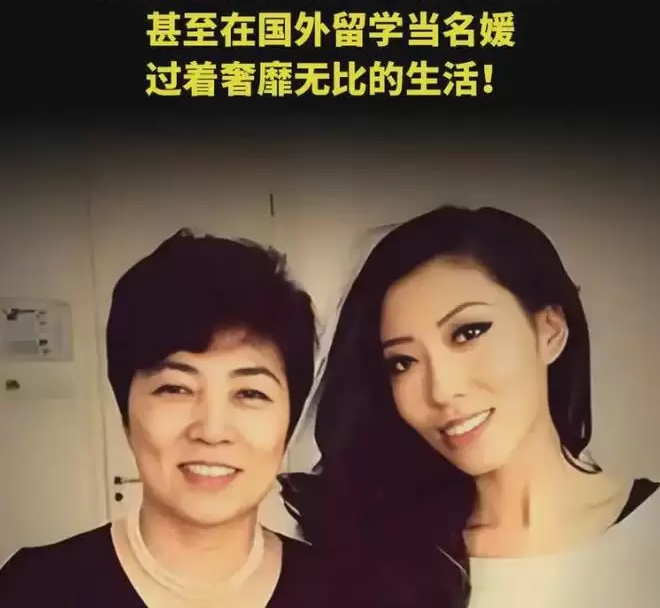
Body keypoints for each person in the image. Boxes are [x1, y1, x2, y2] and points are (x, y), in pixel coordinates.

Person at [282, 205, 660, 608]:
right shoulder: (366, 551)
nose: (442, 391)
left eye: (468, 333)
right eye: (403, 362)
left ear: (550, 331)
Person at [0, 228, 342, 607]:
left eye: (250, 393)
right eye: (176, 389)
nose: (212, 430)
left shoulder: (344, 591)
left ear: (289, 421)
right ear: (126, 412)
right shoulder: (33, 589)